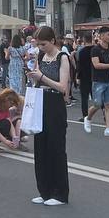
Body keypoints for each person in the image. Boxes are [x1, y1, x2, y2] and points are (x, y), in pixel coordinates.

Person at [27, 26, 72, 206]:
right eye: (38, 45)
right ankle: (44, 191)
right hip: (41, 101)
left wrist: (41, 78)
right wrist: (34, 77)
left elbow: (62, 87)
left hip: (55, 104)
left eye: (43, 44)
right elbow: (38, 79)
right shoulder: (41, 56)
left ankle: (60, 193)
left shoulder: (63, 57)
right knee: (41, 148)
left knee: (56, 148)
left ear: (53, 41)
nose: (41, 48)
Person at [86, 28, 109, 134]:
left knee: (108, 105)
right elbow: (96, 65)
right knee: (97, 104)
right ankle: (88, 118)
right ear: (101, 36)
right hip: (98, 80)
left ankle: (108, 128)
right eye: (108, 34)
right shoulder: (95, 50)